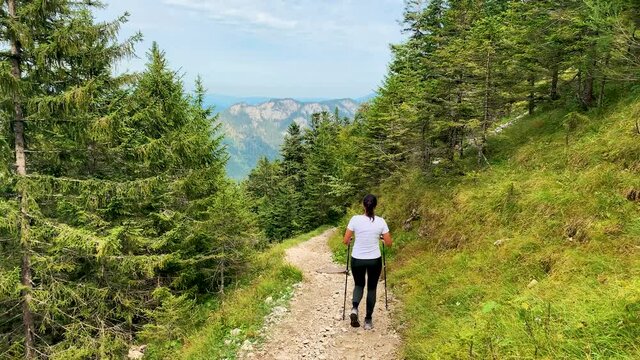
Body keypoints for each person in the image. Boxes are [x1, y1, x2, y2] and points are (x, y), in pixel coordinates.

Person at [343, 194, 392, 330]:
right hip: (374, 260)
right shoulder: (381, 221)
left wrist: (351, 240)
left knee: (359, 284)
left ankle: (354, 308)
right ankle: (368, 320)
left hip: (357, 259)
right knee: (371, 288)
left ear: (363, 205)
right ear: (375, 206)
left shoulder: (355, 219)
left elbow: (346, 241)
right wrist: (382, 239)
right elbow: (388, 243)